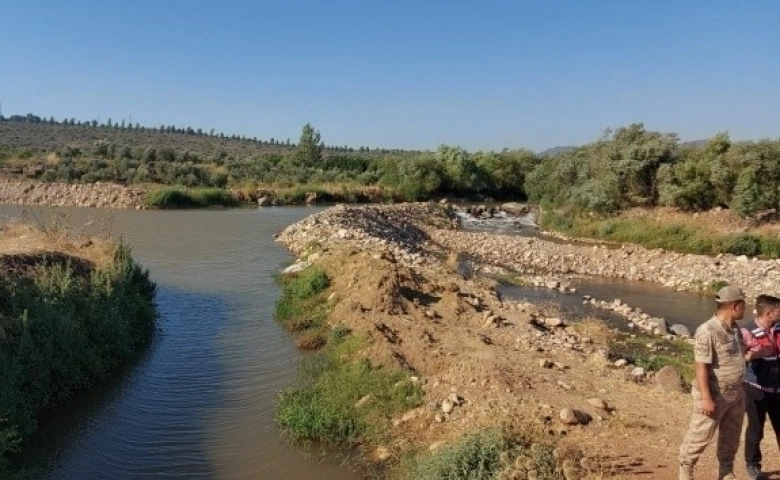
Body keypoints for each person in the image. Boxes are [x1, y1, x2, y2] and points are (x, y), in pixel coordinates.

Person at [679, 285, 747, 480]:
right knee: (700, 435)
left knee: (731, 437)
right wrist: (706, 398)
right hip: (715, 393)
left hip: (736, 393)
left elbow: (737, 357)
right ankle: (685, 469)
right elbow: (701, 366)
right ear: (735, 306)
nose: (746, 309)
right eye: (743, 304)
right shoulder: (707, 330)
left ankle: (726, 471)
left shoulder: (735, 329)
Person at [740, 294, 780, 480]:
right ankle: (752, 464)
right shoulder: (746, 332)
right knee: (756, 428)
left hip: (777, 388)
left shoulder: (778, 327)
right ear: (768, 313)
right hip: (755, 387)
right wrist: (756, 354)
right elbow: (739, 359)